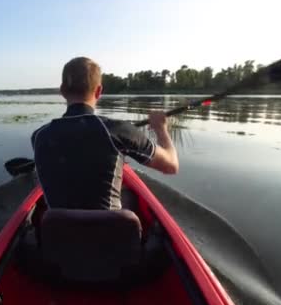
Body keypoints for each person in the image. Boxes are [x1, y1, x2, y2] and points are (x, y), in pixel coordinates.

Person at [31, 57, 179, 211]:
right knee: (130, 197)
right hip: (110, 234)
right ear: (99, 91)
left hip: (58, 234)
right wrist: (161, 129)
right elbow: (171, 166)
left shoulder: (39, 136)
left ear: (62, 91)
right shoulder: (119, 130)